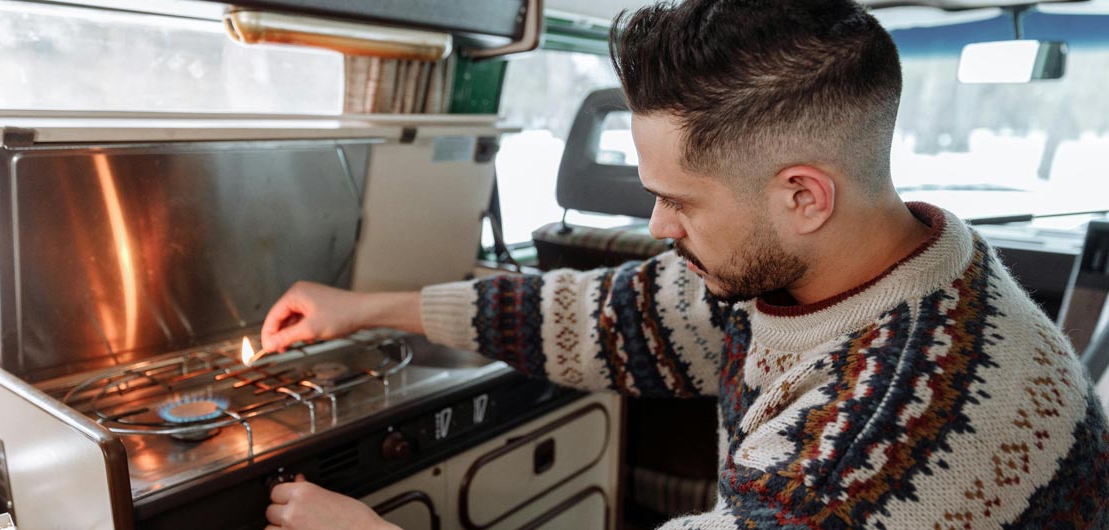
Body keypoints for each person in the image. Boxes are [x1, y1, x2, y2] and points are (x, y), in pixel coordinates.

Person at [259, 0, 1109, 527]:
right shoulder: (836, 263)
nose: (660, 226)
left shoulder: (881, 449)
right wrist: (364, 307)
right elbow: (610, 317)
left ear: (803, 196)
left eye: (682, 200)